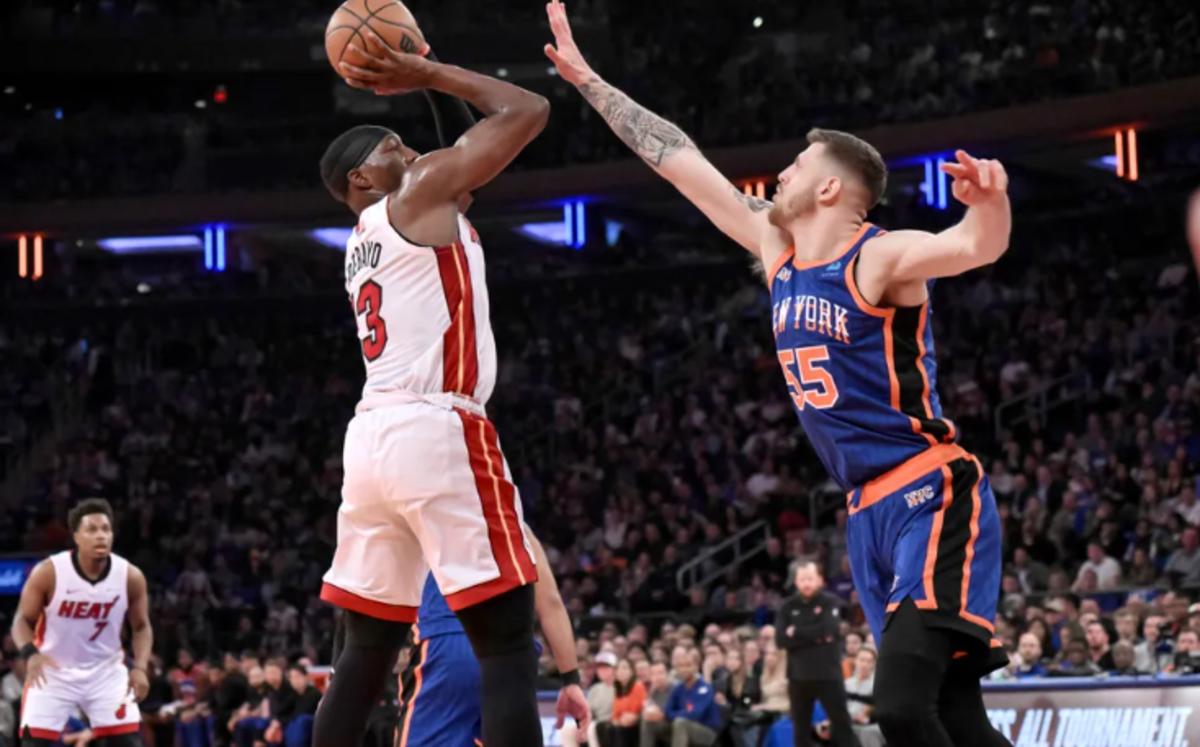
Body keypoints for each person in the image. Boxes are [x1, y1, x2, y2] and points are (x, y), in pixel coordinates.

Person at [545, 4, 1013, 745]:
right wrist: (592, 82)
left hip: (930, 488)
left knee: (897, 706)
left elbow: (972, 247)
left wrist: (992, 203)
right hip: (865, 512)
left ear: (830, 189)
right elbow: (677, 160)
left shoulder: (877, 258)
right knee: (954, 708)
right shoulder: (777, 249)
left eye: (798, 167)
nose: (782, 173)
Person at [316, 21, 558, 747]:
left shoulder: (371, 236)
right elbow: (527, 111)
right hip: (437, 425)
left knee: (365, 650)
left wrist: (425, 78)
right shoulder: (418, 197)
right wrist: (432, 74)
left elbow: (457, 155)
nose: (411, 151)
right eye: (390, 149)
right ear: (362, 178)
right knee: (508, 644)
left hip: (371, 445)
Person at [396, 531, 587, 746]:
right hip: (515, 656)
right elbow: (551, 605)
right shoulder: (519, 526)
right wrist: (571, 680)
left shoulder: (426, 516)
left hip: (452, 644)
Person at [10, 499, 153, 746]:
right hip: (52, 671)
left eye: (106, 529)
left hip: (106, 672)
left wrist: (140, 667)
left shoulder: (130, 576)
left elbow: (141, 626)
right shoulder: (49, 572)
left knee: (130, 743)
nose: (101, 536)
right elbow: (21, 620)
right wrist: (30, 653)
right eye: (92, 530)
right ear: (76, 536)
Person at [776, 563, 857, 747]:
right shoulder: (787, 606)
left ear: (819, 580)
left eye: (810, 578)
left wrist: (795, 631)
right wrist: (817, 637)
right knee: (800, 730)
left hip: (828, 675)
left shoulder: (830, 602)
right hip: (798, 677)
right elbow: (780, 640)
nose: (806, 583)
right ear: (796, 581)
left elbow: (829, 629)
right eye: (802, 579)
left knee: (842, 726)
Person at [640, 647, 722, 747]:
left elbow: (695, 714)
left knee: (680, 722)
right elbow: (668, 710)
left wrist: (674, 715)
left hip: (707, 732)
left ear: (696, 667)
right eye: (681, 666)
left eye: (688, 665)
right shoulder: (679, 689)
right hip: (683, 726)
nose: (684, 669)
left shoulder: (704, 688)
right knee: (649, 720)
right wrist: (669, 714)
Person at [597, 659, 645, 747]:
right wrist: (616, 720)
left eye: (624, 668)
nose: (621, 671)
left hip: (636, 725)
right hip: (621, 723)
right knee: (602, 727)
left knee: (617, 730)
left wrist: (622, 720)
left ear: (632, 671)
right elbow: (615, 714)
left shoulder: (638, 687)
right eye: (618, 668)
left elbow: (634, 712)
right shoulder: (618, 690)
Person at [844, 648, 884, 747]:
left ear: (874, 664)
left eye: (869, 661)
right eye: (862, 660)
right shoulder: (847, 683)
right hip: (848, 722)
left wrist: (867, 717)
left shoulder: (878, 684)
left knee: (868, 732)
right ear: (856, 661)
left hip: (871, 724)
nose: (865, 664)